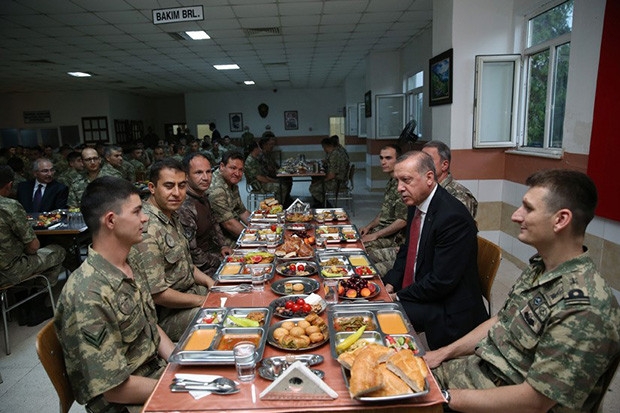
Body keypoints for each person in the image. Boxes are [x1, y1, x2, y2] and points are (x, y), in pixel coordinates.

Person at [426, 169, 620, 413]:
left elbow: (534, 402)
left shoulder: (584, 307)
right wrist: (442, 354)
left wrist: (443, 396)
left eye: (528, 208)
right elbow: (503, 319)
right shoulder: (542, 267)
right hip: (477, 371)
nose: (516, 216)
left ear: (561, 220)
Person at [54, 176, 175, 413]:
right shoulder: (87, 293)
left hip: (154, 374)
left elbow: (150, 325)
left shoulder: (127, 262)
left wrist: (180, 361)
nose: (145, 217)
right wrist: (178, 386)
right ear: (111, 220)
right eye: (137, 211)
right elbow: (114, 389)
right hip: (123, 402)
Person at [383, 151, 488, 350]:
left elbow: (441, 282)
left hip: (448, 307)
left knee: (382, 313)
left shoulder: (452, 217)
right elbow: (407, 251)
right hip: (427, 288)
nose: (399, 188)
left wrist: (398, 296)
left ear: (429, 178)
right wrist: (390, 283)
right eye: (397, 181)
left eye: (406, 180)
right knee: (376, 295)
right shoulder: (417, 201)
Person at [128, 158, 214, 341]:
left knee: (235, 298)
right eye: (169, 186)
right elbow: (158, 294)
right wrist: (202, 301)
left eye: (182, 186)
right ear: (152, 187)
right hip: (166, 316)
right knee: (221, 319)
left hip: (190, 293)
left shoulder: (171, 216)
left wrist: (210, 283)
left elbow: (186, 265)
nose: (177, 193)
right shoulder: (147, 228)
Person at [0, 165, 66, 326]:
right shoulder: (9, 207)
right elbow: (34, 246)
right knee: (58, 252)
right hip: (10, 271)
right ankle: (36, 304)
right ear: (9, 185)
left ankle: (22, 303)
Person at [178, 153, 233, 275]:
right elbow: (194, 255)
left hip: (213, 255)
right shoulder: (185, 206)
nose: (206, 177)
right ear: (186, 176)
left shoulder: (202, 196)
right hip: (202, 269)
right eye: (198, 173)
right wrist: (220, 260)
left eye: (208, 172)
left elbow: (214, 223)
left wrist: (223, 246)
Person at [358, 145, 407, 274]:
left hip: (395, 237)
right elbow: (385, 211)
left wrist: (375, 235)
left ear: (398, 160)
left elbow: (402, 221)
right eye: (381, 158)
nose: (383, 162)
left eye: (388, 158)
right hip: (382, 230)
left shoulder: (402, 184)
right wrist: (369, 226)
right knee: (356, 240)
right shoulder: (391, 181)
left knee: (362, 250)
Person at [422, 140, 478, 218]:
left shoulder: (459, 195)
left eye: (429, 160)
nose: (422, 165)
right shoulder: (424, 190)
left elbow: (458, 227)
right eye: (421, 160)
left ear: (444, 165)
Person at [207, 151, 250, 247]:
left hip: (232, 231)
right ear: (222, 166)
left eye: (241, 170)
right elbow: (228, 223)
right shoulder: (217, 189)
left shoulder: (231, 182)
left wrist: (259, 228)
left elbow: (242, 211)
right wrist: (254, 237)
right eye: (233, 168)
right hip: (220, 241)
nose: (237, 173)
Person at [244, 141, 291, 206]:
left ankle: (280, 205)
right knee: (281, 187)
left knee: (281, 183)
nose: (260, 149)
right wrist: (273, 181)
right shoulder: (250, 161)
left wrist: (273, 180)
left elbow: (263, 175)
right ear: (255, 149)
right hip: (259, 186)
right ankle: (279, 207)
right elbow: (260, 178)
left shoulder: (255, 159)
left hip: (261, 182)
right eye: (259, 148)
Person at [309, 136, 350, 207]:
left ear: (327, 146)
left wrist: (322, 180)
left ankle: (327, 206)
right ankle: (319, 203)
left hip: (336, 182)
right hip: (340, 180)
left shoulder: (334, 155)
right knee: (316, 181)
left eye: (323, 147)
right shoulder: (336, 152)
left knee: (313, 188)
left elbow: (332, 175)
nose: (324, 149)